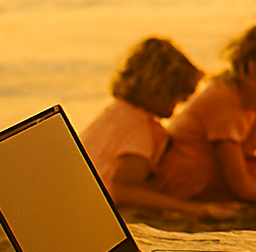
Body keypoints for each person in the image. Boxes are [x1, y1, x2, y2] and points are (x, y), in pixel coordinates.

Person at [151, 19, 256, 204]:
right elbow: (241, 185)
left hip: (227, 170)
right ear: (254, 66)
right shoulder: (225, 98)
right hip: (187, 178)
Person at [79, 37, 236, 219]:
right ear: (160, 89)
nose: (180, 104)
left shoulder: (117, 113)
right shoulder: (137, 129)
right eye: (177, 96)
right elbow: (123, 190)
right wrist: (193, 209)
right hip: (95, 212)